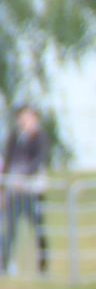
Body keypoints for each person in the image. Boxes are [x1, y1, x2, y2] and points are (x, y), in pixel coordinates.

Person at [1, 104, 51, 275]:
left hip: (33, 192)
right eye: (22, 117)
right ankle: (6, 265)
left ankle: (43, 268)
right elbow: (7, 161)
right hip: (15, 192)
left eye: (27, 117)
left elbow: (40, 160)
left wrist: (24, 176)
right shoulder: (14, 137)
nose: (24, 121)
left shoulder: (40, 137)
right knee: (11, 229)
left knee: (38, 229)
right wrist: (5, 186)